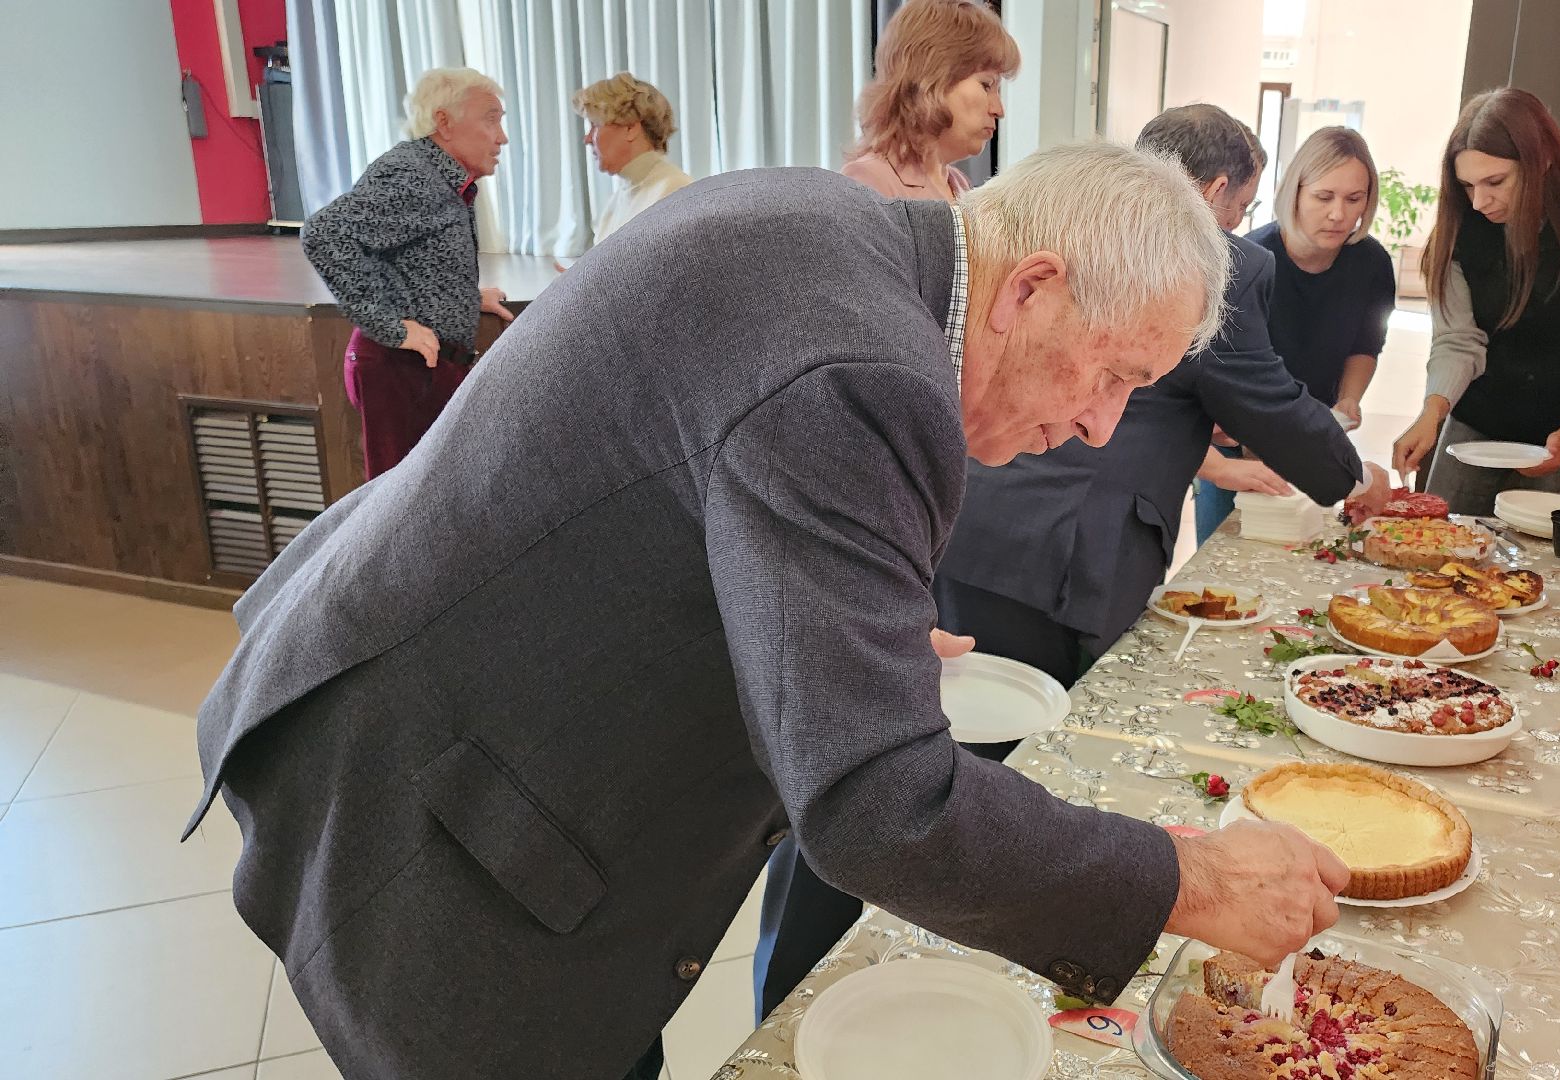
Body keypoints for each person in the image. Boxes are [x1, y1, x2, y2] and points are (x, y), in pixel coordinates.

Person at [183, 142, 1350, 1080]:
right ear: (1031, 288)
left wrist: (855, 635)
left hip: (433, 690)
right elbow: (880, 809)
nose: (1101, 426)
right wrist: (1190, 880)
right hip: (435, 803)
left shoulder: (846, 235)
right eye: (1108, 375)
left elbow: (697, 508)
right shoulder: (865, 369)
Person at [748, 0, 1018, 1023]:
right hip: (865, 496)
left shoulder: (959, 191)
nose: (994, 106)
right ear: (925, 80)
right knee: (840, 743)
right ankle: (787, 980)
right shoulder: (855, 193)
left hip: (930, 497)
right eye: (980, 82)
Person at [932, 104, 1390, 685]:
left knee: (973, 715)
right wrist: (1358, 480)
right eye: (1241, 207)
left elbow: (1152, 395)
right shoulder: (1221, 263)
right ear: (1220, 188)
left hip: (976, 513)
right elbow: (1269, 403)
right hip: (1073, 543)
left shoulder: (1074, 222)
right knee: (1055, 732)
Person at [1391, 88, 1560, 515]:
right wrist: (1431, 413)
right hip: (1476, 425)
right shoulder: (1461, 229)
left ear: (1542, 160)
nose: (1479, 201)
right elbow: (1458, 342)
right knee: (1440, 553)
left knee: (1541, 571)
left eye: (1496, 182)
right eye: (1467, 185)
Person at [301, 67, 517, 481]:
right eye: (491, 119)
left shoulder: (441, 177)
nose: (501, 137)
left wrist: (464, 297)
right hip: (399, 369)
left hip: (424, 370)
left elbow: (406, 260)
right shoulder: (412, 175)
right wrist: (391, 327)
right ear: (444, 122)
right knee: (403, 507)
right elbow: (325, 234)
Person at [1192, 126, 1397, 542]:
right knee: (1223, 561)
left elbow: (1365, 344)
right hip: (1238, 440)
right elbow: (1224, 373)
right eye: (1324, 197)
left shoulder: (1372, 263)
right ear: (1295, 193)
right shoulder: (1249, 261)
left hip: (1314, 434)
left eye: (1354, 199)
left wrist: (1349, 399)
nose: (1339, 214)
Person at [840, 0, 1017, 200]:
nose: (998, 109)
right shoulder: (868, 180)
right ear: (933, 79)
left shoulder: (960, 185)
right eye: (986, 85)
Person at [573, 73, 694, 245]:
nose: (587, 139)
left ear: (630, 128)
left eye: (595, 126)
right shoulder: (617, 200)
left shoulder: (673, 190)